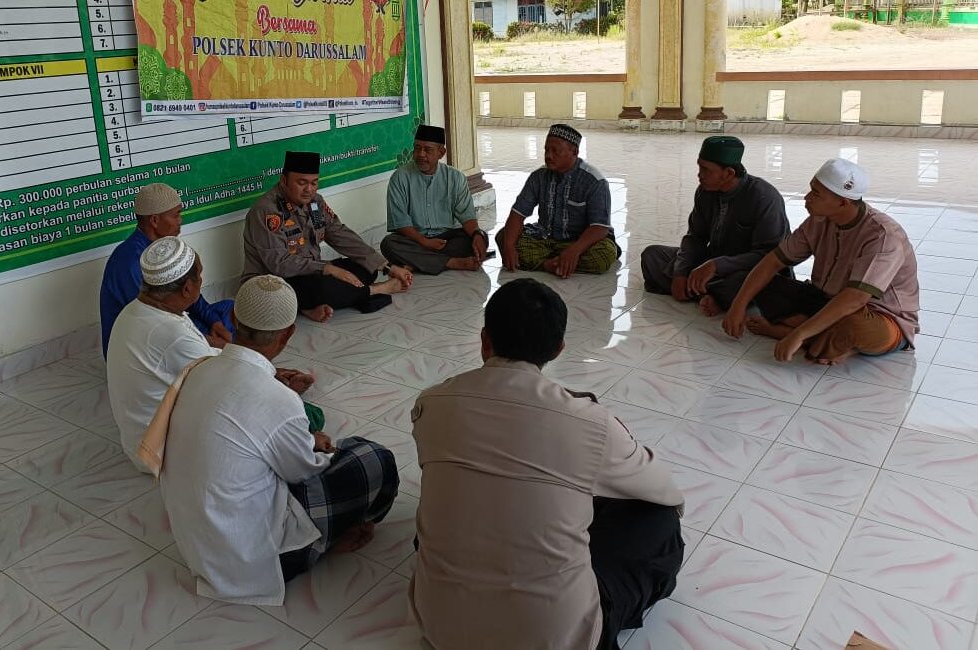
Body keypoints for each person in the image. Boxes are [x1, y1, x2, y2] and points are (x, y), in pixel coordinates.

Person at [409, 278, 685, 650]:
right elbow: (665, 492)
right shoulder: (589, 422)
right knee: (657, 520)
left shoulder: (432, 404)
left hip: (440, 626)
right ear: (558, 349)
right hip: (555, 637)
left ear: (485, 339)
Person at [158, 275, 399, 605]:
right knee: (371, 456)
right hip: (253, 560)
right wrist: (314, 443)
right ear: (289, 333)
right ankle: (328, 541)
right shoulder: (278, 400)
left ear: (232, 318)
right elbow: (303, 472)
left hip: (200, 550)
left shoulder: (200, 369)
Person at [106, 237, 319, 473]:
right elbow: (232, 389)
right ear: (187, 288)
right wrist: (279, 388)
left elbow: (205, 355)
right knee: (304, 416)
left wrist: (273, 374)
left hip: (139, 439)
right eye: (199, 277)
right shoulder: (173, 336)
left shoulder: (137, 311)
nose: (201, 282)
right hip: (160, 450)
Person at [722, 158, 920, 364]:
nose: (807, 198)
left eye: (816, 194)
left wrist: (799, 334)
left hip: (878, 316)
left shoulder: (883, 236)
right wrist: (739, 305)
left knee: (853, 326)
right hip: (825, 300)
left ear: (843, 202)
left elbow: (856, 298)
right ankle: (818, 335)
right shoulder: (819, 220)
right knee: (742, 281)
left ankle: (799, 332)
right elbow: (773, 262)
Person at [242, 151, 414, 323]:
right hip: (273, 283)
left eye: (314, 183)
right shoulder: (267, 211)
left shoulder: (316, 202)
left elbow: (340, 235)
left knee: (365, 268)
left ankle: (308, 306)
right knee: (321, 289)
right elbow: (279, 264)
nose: (308, 189)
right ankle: (378, 290)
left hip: (312, 273)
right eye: (301, 183)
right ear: (284, 180)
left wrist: (387, 267)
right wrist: (328, 269)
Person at [641, 136, 791, 316]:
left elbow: (769, 256)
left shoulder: (764, 198)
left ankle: (717, 295)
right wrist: (681, 271)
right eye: (699, 167)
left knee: (752, 282)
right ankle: (714, 296)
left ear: (728, 173)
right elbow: (695, 236)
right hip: (713, 263)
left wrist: (718, 265)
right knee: (652, 256)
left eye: (705, 169)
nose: (699, 174)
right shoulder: (705, 191)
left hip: (749, 270)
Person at [99, 182, 233, 356]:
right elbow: (156, 323)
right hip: (141, 344)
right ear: (155, 220)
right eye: (176, 215)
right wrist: (208, 341)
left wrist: (214, 322)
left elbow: (189, 292)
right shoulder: (128, 261)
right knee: (227, 345)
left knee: (230, 310)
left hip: (170, 322)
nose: (180, 221)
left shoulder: (166, 248)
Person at [496, 124, 620, 278]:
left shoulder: (595, 181)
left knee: (604, 254)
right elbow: (517, 214)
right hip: (545, 239)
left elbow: (600, 227)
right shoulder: (538, 177)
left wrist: (574, 250)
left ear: (574, 152)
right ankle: (552, 265)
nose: (548, 155)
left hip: (581, 242)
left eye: (555, 151)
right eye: (546, 150)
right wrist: (509, 246)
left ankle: (552, 261)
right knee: (504, 237)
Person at [380, 125, 488, 273]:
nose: (421, 154)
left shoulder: (455, 177)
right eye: (417, 148)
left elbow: (466, 216)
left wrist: (477, 234)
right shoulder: (400, 177)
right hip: (415, 238)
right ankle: (452, 263)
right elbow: (400, 222)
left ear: (441, 153)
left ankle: (417, 261)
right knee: (389, 244)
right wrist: (424, 242)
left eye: (428, 150)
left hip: (446, 239)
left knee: (479, 238)